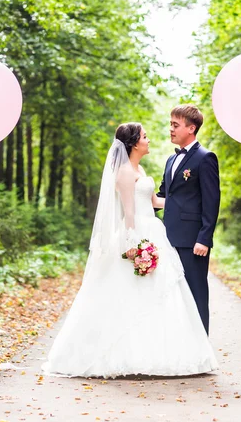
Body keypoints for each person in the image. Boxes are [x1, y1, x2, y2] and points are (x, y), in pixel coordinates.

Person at [41, 122, 218, 378]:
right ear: (135, 143)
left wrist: (196, 201)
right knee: (131, 293)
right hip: (138, 235)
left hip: (154, 231)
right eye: (145, 136)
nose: (149, 140)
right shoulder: (124, 172)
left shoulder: (139, 168)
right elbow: (129, 212)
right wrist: (135, 245)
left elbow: (156, 200)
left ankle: (159, 351)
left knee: (161, 293)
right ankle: (121, 354)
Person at [157, 105, 220, 334]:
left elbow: (211, 202)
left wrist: (204, 238)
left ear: (191, 128)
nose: (171, 129)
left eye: (176, 125)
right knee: (173, 294)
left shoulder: (205, 158)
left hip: (193, 241)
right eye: (170, 124)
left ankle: (202, 349)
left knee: (196, 294)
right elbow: (163, 197)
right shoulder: (170, 161)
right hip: (167, 238)